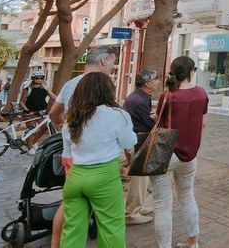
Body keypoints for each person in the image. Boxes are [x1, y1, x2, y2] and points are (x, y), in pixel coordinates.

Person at [47, 47, 118, 248]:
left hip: (72, 154)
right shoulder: (103, 87)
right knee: (107, 212)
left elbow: (54, 113)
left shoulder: (70, 84)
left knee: (70, 203)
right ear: (104, 61)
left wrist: (66, 128)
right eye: (113, 62)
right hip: (98, 160)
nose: (113, 67)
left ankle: (56, 243)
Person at [61, 72, 137, 248]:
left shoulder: (72, 118)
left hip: (75, 178)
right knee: (112, 228)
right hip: (105, 178)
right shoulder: (117, 115)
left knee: (72, 231)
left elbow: (66, 154)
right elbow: (129, 142)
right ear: (107, 91)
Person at [151, 56, 208, 248]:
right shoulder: (201, 93)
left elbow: (158, 120)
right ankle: (193, 241)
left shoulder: (168, 96)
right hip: (190, 155)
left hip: (165, 155)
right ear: (191, 72)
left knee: (162, 205)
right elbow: (203, 123)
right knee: (187, 196)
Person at [122, 69, 159, 226]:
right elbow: (151, 123)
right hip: (138, 141)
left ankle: (138, 208)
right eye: (156, 79)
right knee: (139, 179)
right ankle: (132, 213)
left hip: (137, 140)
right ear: (148, 83)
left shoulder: (140, 97)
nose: (158, 81)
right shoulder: (138, 100)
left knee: (141, 179)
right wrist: (157, 117)